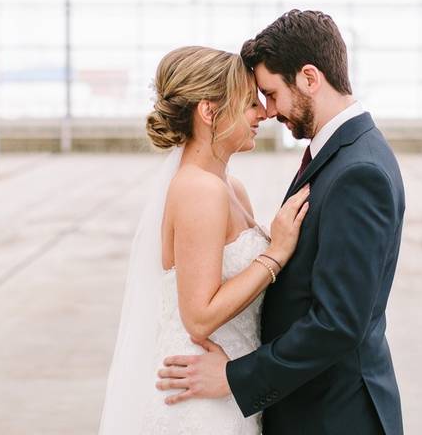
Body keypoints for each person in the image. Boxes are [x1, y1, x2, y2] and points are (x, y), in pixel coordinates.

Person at [156, 11, 407, 435]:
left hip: (333, 414)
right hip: (294, 401)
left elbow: (338, 322)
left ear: (310, 77)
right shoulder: (338, 155)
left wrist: (237, 378)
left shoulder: (357, 171)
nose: (267, 111)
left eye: (270, 94)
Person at [98, 46, 310, 435]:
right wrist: (276, 254)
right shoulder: (199, 191)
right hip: (199, 395)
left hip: (229, 382)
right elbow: (198, 316)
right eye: (249, 103)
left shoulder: (230, 187)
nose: (262, 113)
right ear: (210, 112)